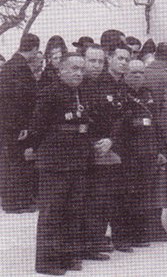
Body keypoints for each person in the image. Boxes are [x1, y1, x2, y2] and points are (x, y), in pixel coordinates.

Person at [30, 52, 92, 275]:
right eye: (74, 68)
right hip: (55, 162)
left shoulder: (81, 93)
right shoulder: (50, 93)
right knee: (52, 212)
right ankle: (47, 262)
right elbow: (37, 128)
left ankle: (68, 256)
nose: (79, 73)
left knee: (73, 211)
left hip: (77, 160)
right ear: (61, 70)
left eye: (81, 69)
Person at [117, 60, 167, 248]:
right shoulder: (121, 93)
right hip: (128, 152)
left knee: (143, 194)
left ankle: (139, 233)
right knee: (126, 195)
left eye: (140, 72)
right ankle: (123, 236)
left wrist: (161, 150)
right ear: (125, 74)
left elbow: (155, 125)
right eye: (133, 72)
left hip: (147, 152)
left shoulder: (148, 94)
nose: (137, 76)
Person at [81, 43, 120, 256]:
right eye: (91, 61)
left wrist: (110, 140)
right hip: (84, 150)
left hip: (105, 149)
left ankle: (95, 240)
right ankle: (84, 243)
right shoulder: (78, 85)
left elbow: (117, 117)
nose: (96, 66)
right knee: (83, 200)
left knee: (101, 199)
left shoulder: (108, 84)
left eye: (100, 62)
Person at [0, 33, 41, 213]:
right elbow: (17, 100)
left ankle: (15, 201)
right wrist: (22, 125)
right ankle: (15, 203)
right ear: (34, 49)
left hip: (10, 123)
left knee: (13, 162)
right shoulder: (19, 68)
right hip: (15, 126)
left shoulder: (10, 66)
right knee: (15, 163)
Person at [143, 42, 167, 241]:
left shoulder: (142, 72)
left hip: (140, 132)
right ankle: (154, 226)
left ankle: (141, 224)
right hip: (158, 135)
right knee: (160, 181)